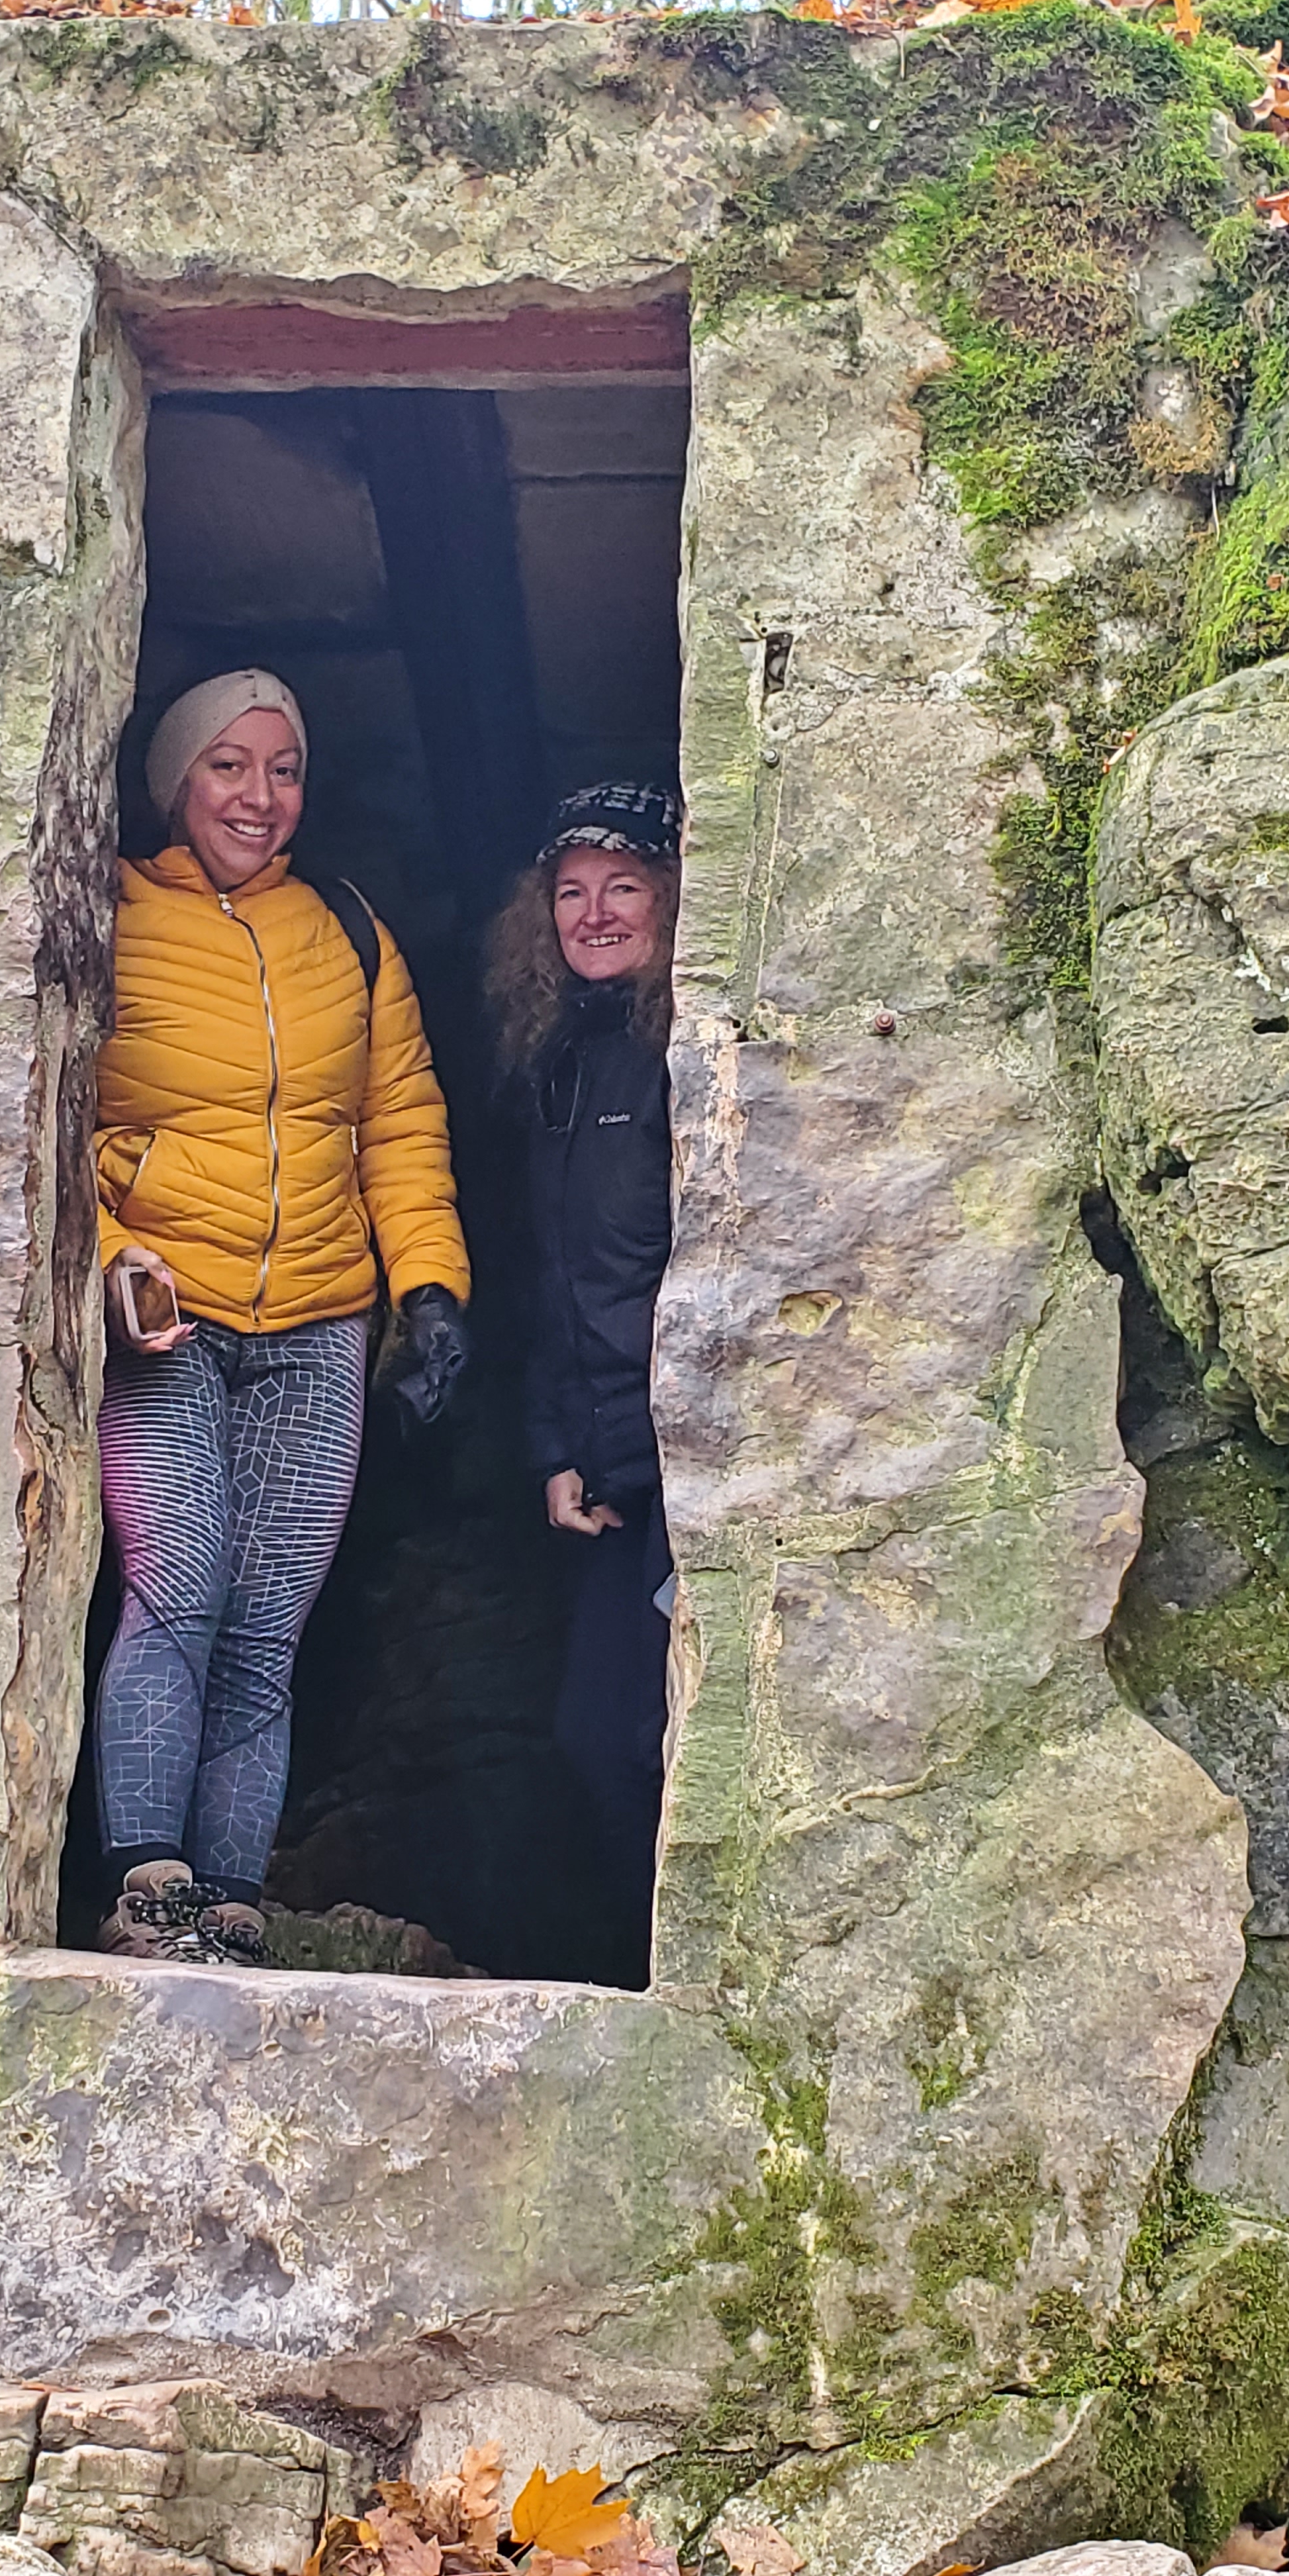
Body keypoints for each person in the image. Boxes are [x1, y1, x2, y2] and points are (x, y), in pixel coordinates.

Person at [91, 667, 471, 1966]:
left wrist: (431, 1289)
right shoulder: (107, 913)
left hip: (320, 1325)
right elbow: (40, 1117)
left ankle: (238, 1901)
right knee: (176, 1588)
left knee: (266, 1629)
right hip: (169, 1318)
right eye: (229, 767)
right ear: (174, 781)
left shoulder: (349, 932)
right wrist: (109, 1257)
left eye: (285, 768)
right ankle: (148, 1885)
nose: (261, 796)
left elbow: (402, 1125)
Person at [487, 781, 682, 1988]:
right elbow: (549, 1284)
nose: (595, 913)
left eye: (624, 886)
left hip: (691, 1463)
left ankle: (682, 1976)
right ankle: (634, 1972)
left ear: (670, 898)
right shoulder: (552, 1069)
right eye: (572, 892)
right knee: (594, 1737)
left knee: (655, 1743)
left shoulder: (691, 1050)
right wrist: (556, 1449)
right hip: (611, 1462)